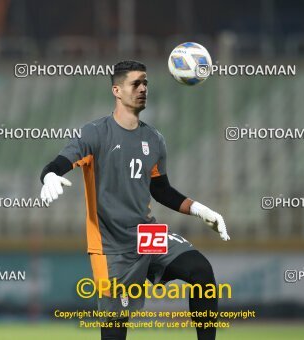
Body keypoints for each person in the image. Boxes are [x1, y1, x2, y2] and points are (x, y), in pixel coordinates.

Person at [40, 60, 230, 340]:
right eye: (136, 83)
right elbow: (57, 163)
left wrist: (201, 211)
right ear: (117, 90)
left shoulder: (154, 139)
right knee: (115, 331)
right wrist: (50, 177)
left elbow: (161, 189)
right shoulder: (95, 133)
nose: (143, 89)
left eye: (146, 83)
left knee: (201, 272)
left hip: (147, 236)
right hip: (111, 247)